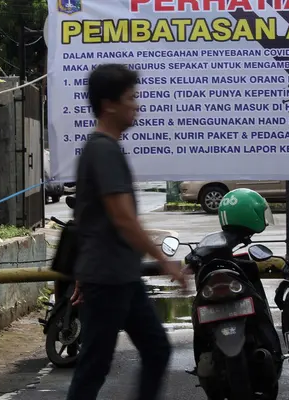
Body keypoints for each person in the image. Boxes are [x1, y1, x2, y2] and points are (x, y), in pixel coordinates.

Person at [66, 63, 187, 400]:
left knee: (156, 349)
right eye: (131, 98)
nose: (137, 105)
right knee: (93, 367)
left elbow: (91, 220)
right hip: (108, 280)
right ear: (109, 105)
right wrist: (166, 262)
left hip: (119, 276)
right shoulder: (103, 150)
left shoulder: (103, 149)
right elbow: (123, 219)